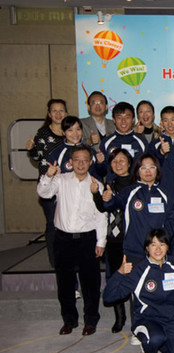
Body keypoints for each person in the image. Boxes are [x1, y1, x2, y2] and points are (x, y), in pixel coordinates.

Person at [36, 144, 107, 336]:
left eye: (85, 160)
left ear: (90, 162)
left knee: (90, 284)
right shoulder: (60, 180)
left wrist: (101, 242)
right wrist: (48, 175)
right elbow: (44, 193)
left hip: (87, 239)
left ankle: (91, 321)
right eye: (77, 160)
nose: (81, 163)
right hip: (63, 239)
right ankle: (69, 320)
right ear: (71, 162)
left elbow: (101, 215)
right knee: (65, 283)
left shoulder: (96, 185)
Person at [103, 229, 174, 353]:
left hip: (172, 320)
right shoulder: (139, 270)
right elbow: (108, 297)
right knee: (155, 339)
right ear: (147, 247)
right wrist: (120, 273)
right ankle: (148, 346)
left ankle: (161, 342)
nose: (158, 249)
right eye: (153, 244)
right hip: (148, 319)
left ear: (168, 246)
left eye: (162, 244)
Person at [102, 153, 174, 266]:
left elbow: (173, 221)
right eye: (143, 168)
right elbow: (112, 204)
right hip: (134, 252)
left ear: (157, 170)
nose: (148, 171)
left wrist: (162, 241)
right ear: (137, 171)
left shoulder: (165, 194)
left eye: (151, 167)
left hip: (158, 252)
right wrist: (108, 199)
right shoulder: (130, 192)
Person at [91, 148, 133, 333]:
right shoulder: (109, 182)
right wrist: (96, 195)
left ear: (130, 163)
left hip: (133, 238)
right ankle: (120, 317)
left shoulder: (136, 183)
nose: (118, 164)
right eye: (114, 161)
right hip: (114, 239)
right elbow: (103, 208)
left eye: (122, 161)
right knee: (115, 277)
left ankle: (137, 317)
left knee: (134, 278)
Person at [26, 98, 68, 267]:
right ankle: (55, 260)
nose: (58, 114)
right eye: (54, 111)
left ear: (66, 112)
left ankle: (69, 257)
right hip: (50, 184)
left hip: (68, 185)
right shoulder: (43, 133)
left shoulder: (70, 131)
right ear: (49, 114)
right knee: (52, 223)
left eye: (61, 110)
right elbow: (38, 158)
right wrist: (31, 150)